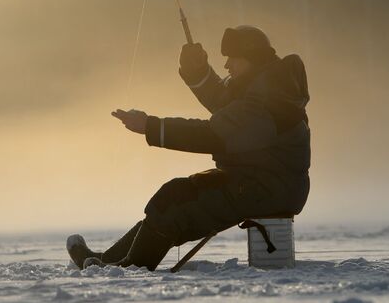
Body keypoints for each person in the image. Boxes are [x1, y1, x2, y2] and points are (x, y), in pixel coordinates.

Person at [66, 25, 311, 271]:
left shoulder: (270, 100)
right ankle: (109, 261)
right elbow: (223, 101)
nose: (227, 65)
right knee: (174, 194)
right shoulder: (265, 87)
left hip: (266, 187)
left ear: (252, 59)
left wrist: (150, 126)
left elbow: (213, 134)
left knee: (176, 199)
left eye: (233, 58)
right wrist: (198, 72)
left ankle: (131, 267)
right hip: (258, 180)